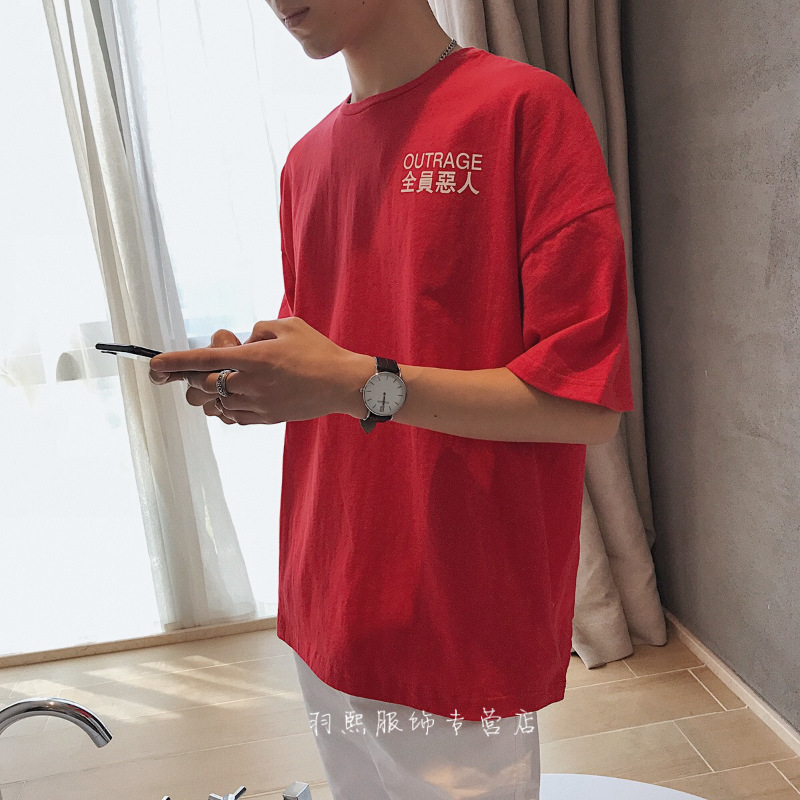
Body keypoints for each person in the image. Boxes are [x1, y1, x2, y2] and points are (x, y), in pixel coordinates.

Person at [149, 0, 635, 797]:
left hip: (457, 602)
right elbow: (336, 366)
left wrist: (349, 382)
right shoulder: (306, 163)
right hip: (328, 584)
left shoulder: (523, 111)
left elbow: (585, 404)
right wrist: (262, 383)